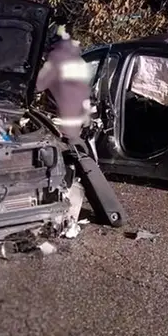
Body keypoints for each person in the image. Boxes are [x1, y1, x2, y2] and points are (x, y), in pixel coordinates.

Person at [35, 21, 126, 227]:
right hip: (81, 120)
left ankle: (63, 206)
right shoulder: (79, 61)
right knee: (81, 163)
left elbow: (36, 87)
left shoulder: (53, 63)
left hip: (62, 122)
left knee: (63, 165)